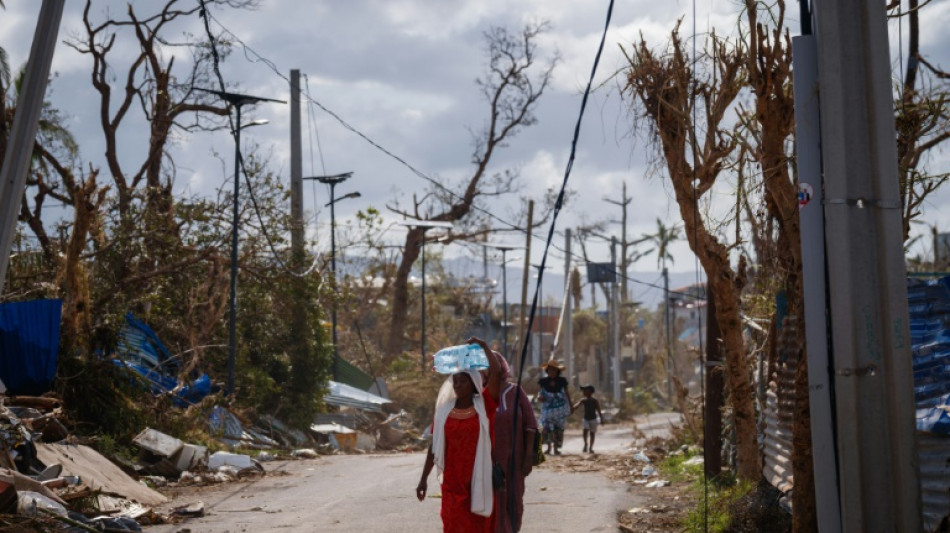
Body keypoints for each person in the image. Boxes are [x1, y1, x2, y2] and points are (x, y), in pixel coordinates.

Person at [417, 338, 503, 532]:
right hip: (453, 483)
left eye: (462, 381)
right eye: (455, 381)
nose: (457, 385)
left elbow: (497, 372)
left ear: (473, 382)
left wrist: (484, 346)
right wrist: (423, 479)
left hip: (479, 480)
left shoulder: (485, 405)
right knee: (453, 524)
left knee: (477, 526)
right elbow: (435, 446)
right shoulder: (444, 411)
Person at [476, 343, 537, 533]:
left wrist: (528, 457)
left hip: (515, 460)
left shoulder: (516, 392)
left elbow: (531, 426)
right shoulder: (479, 395)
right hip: (488, 461)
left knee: (514, 501)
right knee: (492, 504)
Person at [537, 359, 572, 455]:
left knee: (558, 429)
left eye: (554, 370)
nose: (552, 372)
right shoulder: (543, 381)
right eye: (550, 370)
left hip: (560, 409)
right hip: (547, 409)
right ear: (547, 371)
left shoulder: (562, 381)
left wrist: (571, 405)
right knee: (546, 428)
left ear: (558, 371)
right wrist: (539, 397)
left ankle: (556, 448)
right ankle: (548, 448)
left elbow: (567, 394)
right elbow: (540, 393)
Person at [572, 385, 604, 453]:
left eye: (586, 391)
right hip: (586, 418)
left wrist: (601, 418)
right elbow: (577, 405)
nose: (584, 392)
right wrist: (572, 408)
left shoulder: (594, 401)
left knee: (592, 433)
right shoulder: (584, 400)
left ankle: (591, 447)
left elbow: (598, 410)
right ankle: (585, 444)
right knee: (585, 431)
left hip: (593, 419)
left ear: (590, 392)